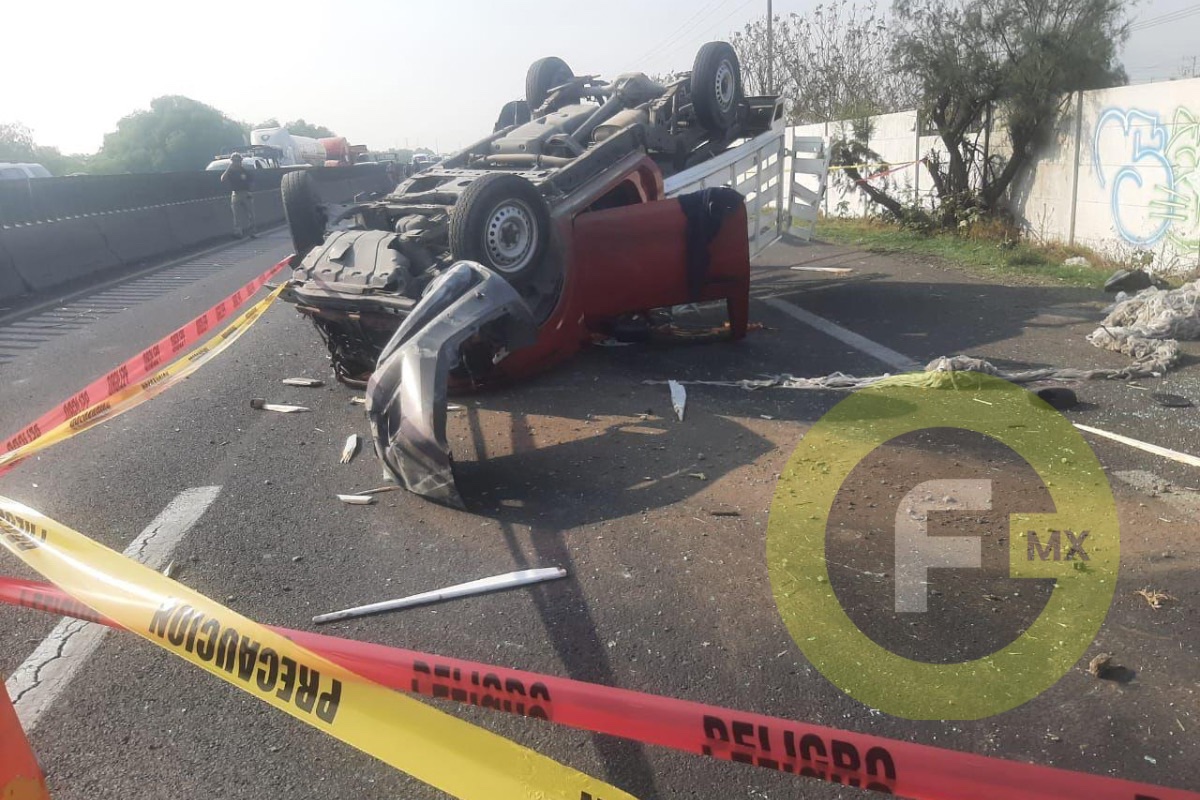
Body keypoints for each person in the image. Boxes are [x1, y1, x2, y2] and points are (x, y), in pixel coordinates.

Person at [220, 154, 256, 238]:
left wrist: (250, 192)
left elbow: (252, 181)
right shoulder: (230, 172)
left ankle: (252, 231)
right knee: (236, 215)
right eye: (234, 161)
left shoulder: (244, 171)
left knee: (250, 214)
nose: (236, 163)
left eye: (237, 161)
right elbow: (222, 179)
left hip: (245, 193)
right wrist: (229, 168)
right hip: (235, 193)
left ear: (240, 161)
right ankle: (238, 232)